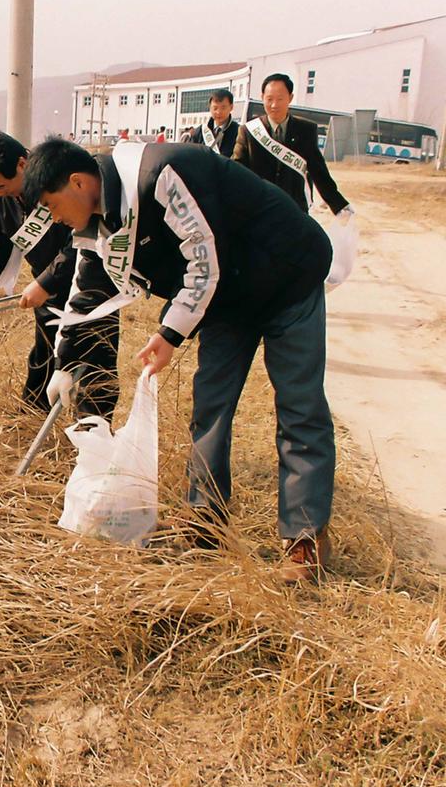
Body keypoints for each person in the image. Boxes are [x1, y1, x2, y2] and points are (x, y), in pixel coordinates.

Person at [23, 136, 336, 584]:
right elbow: (85, 294)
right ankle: (205, 521)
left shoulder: (160, 174)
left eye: (53, 206)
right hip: (228, 301)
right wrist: (64, 363)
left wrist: (170, 332)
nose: (55, 217)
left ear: (77, 183)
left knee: (298, 402)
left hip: (287, 274)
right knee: (210, 404)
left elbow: (204, 259)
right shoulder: (98, 223)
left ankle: (305, 541)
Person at [0, 126, 115, 416]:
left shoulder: (56, 179)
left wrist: (47, 281)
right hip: (45, 290)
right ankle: (32, 422)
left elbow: (82, 240)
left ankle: (93, 433)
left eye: (1, 187)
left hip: (90, 282)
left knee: (96, 360)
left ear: (22, 164)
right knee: (44, 357)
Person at [232, 73, 351, 219]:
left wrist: (338, 205)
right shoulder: (248, 131)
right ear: (262, 97)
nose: (274, 105)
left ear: (290, 98)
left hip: (294, 209)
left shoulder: (306, 130)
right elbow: (237, 170)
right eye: (269, 99)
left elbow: (318, 171)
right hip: (259, 208)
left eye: (280, 99)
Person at [201, 89, 240, 157]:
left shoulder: (239, 132)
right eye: (215, 108)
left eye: (223, 108)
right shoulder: (200, 132)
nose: (219, 112)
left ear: (231, 107)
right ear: (210, 108)